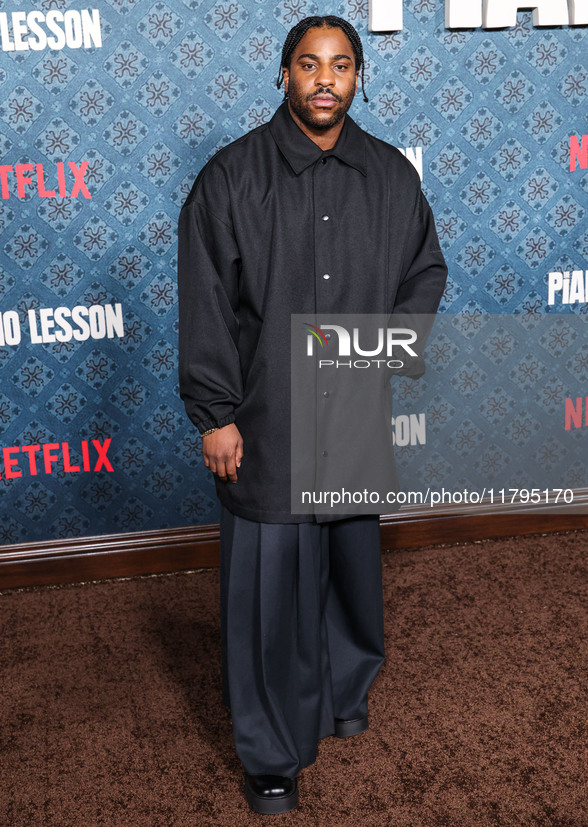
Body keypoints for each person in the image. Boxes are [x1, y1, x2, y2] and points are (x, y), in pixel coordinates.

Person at [178, 15, 448, 814]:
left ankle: (340, 692)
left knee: (347, 573)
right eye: (308, 64)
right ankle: (271, 754)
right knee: (268, 593)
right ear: (284, 76)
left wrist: (381, 354)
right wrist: (215, 414)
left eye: (340, 65)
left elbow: (425, 272)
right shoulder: (229, 179)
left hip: (354, 414)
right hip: (266, 418)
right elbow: (206, 307)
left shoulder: (391, 175)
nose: (324, 79)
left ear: (358, 77)